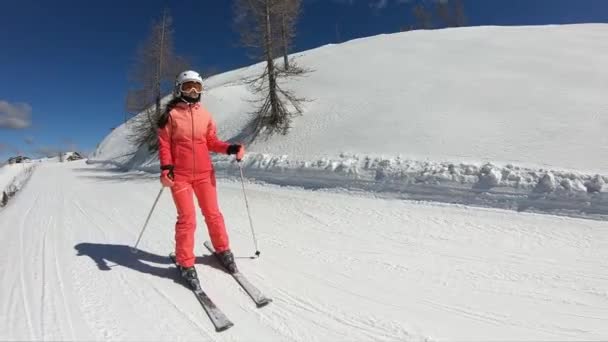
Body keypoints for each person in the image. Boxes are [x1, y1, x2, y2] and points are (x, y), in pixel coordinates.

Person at [157, 70, 245, 283]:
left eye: (197, 87)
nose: (194, 91)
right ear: (179, 89)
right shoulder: (170, 115)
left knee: (213, 214)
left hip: (206, 174)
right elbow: (164, 144)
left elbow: (212, 141)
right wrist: (166, 168)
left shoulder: (205, 114)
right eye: (188, 86)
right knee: (188, 219)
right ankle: (186, 262)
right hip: (181, 176)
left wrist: (230, 148)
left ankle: (223, 250)